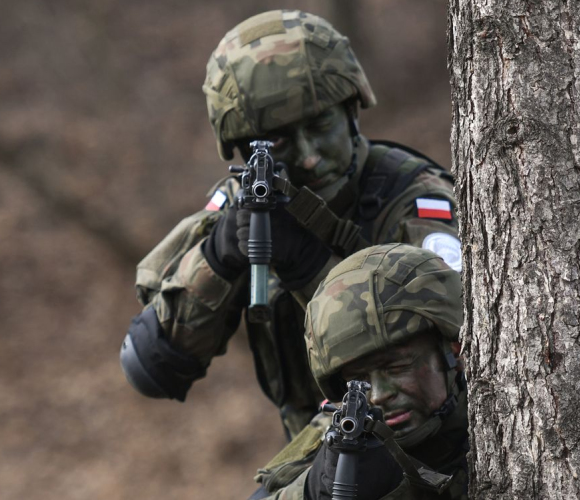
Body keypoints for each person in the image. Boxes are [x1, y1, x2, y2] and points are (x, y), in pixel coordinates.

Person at [119, 9, 462, 438]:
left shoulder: (415, 206)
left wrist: (308, 266)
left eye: (321, 125)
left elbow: (459, 377)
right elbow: (153, 367)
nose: (310, 156)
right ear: (243, 148)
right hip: (323, 450)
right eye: (279, 140)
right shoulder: (246, 203)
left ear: (352, 108)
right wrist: (219, 256)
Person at [252, 243, 468, 500]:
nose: (377, 396)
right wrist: (312, 490)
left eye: (397, 367)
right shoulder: (341, 437)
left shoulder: (502, 418)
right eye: (357, 380)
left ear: (453, 349)